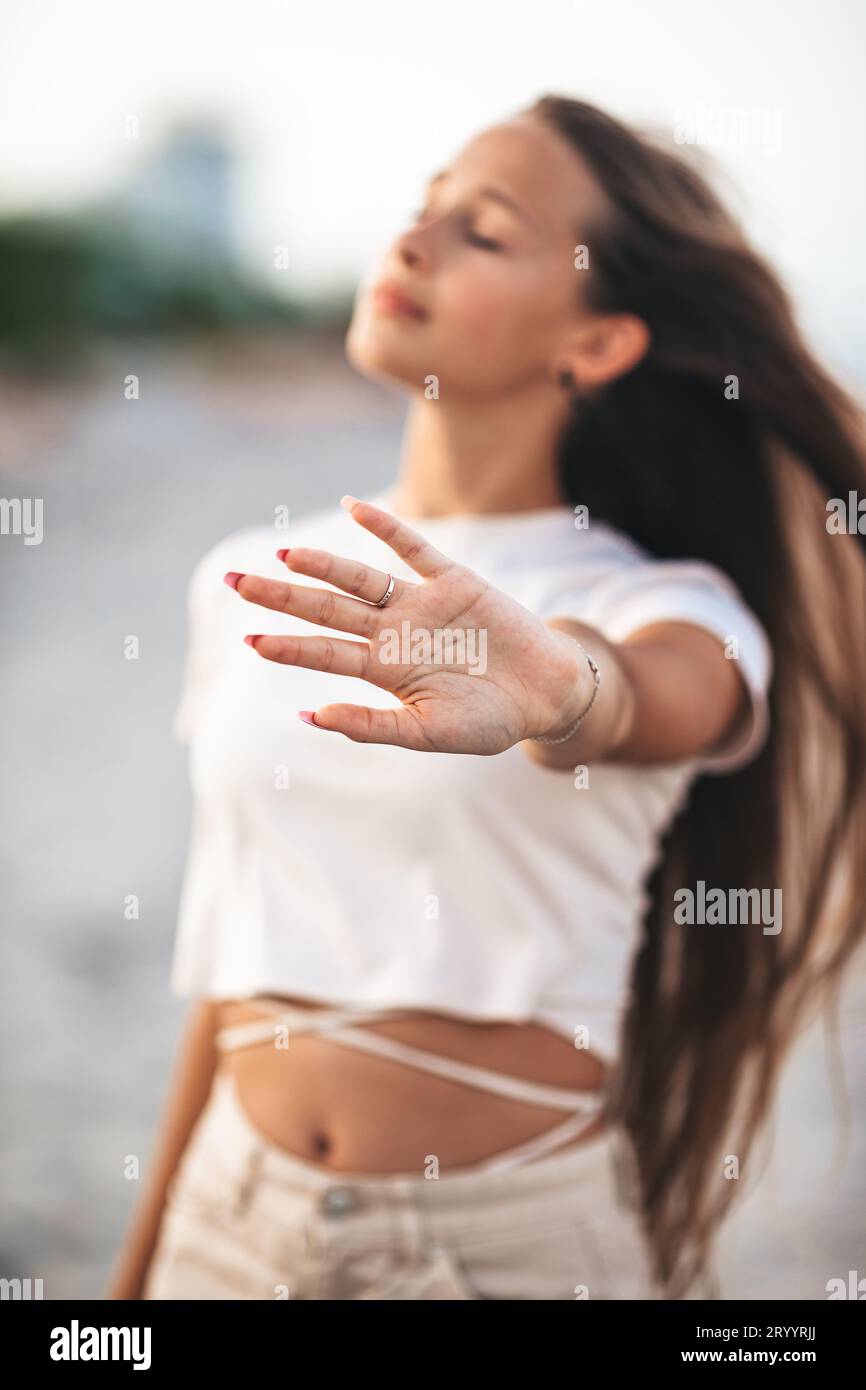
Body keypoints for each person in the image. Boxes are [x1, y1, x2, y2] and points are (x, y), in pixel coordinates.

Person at [107, 96, 866, 1301]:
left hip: (499, 1252)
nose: (413, 241)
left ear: (600, 342)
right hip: (227, 1215)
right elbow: (236, 959)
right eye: (422, 210)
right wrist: (133, 1286)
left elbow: (646, 698)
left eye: (486, 231)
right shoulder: (259, 578)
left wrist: (559, 690)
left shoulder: (662, 603)